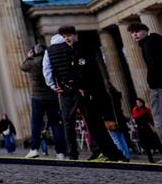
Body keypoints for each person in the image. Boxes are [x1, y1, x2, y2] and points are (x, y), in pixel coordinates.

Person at [43, 25, 125, 161]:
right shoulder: (77, 48)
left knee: (68, 122)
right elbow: (86, 70)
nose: (67, 39)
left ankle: (72, 153)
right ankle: (109, 152)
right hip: (82, 90)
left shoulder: (50, 50)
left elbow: (47, 69)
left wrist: (52, 85)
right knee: (94, 122)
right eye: (65, 37)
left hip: (65, 90)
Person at [21, 43, 66, 159]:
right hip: (52, 96)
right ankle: (60, 152)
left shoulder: (32, 62)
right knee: (56, 124)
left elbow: (22, 66)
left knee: (36, 124)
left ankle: (34, 149)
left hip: (38, 97)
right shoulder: (50, 61)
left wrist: (29, 57)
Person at [128, 22, 162, 139]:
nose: (134, 34)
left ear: (145, 31)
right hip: (157, 85)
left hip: (158, 86)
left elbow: (154, 64)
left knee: (158, 119)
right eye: (132, 33)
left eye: (137, 31)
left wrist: (151, 80)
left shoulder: (148, 44)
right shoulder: (152, 42)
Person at [132, 97, 161, 162]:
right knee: (146, 146)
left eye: (139, 102)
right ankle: (151, 160)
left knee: (157, 143)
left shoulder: (147, 109)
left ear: (142, 102)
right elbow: (136, 120)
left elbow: (151, 119)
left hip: (149, 129)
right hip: (141, 131)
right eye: (137, 103)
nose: (138, 104)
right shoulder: (135, 110)